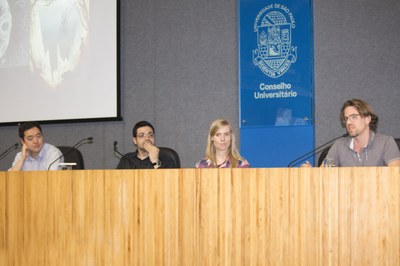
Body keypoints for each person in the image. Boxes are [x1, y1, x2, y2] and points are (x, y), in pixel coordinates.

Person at [303, 99, 400, 167]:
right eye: (346, 119)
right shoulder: (339, 146)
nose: (348, 122)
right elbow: (323, 175)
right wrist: (310, 174)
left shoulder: (386, 143)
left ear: (367, 119)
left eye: (353, 117)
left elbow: (395, 177)